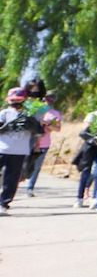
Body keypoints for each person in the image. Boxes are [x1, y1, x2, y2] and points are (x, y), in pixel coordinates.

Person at [0, 87, 43, 215]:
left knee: (12, 179)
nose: (15, 103)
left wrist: (32, 124)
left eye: (18, 100)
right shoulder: (4, 113)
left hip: (19, 151)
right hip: (2, 148)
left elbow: (39, 131)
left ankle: (3, 203)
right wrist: (7, 127)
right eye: (13, 100)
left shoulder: (30, 114)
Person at [24, 91, 62, 196]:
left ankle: (30, 188)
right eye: (47, 98)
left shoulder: (55, 113)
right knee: (23, 165)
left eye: (51, 98)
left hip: (44, 143)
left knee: (36, 166)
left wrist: (47, 124)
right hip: (29, 142)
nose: (49, 100)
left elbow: (58, 128)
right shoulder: (34, 110)